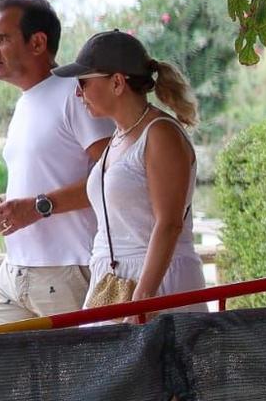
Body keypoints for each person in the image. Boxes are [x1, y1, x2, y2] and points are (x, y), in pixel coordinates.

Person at [0, 0, 112, 327]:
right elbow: (44, 179)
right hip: (15, 270)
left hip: (68, 268)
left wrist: (39, 206)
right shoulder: (26, 101)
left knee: (78, 364)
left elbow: (114, 177)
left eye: (1, 38)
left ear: (38, 42)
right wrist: (0, 203)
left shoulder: (76, 93)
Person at [54, 31, 205, 309]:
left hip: (157, 284)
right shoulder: (119, 136)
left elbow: (169, 223)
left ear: (117, 82)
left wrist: (142, 300)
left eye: (83, 82)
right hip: (112, 282)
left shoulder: (160, 134)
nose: (77, 92)